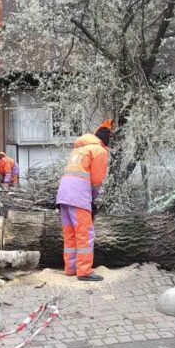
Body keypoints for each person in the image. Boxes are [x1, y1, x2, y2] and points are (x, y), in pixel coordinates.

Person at [55, 119, 113, 282]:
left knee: (70, 233)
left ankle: (71, 268)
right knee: (84, 233)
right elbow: (96, 180)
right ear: (106, 140)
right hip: (78, 196)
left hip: (64, 195)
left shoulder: (79, 149)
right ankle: (85, 271)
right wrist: (93, 199)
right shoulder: (99, 151)